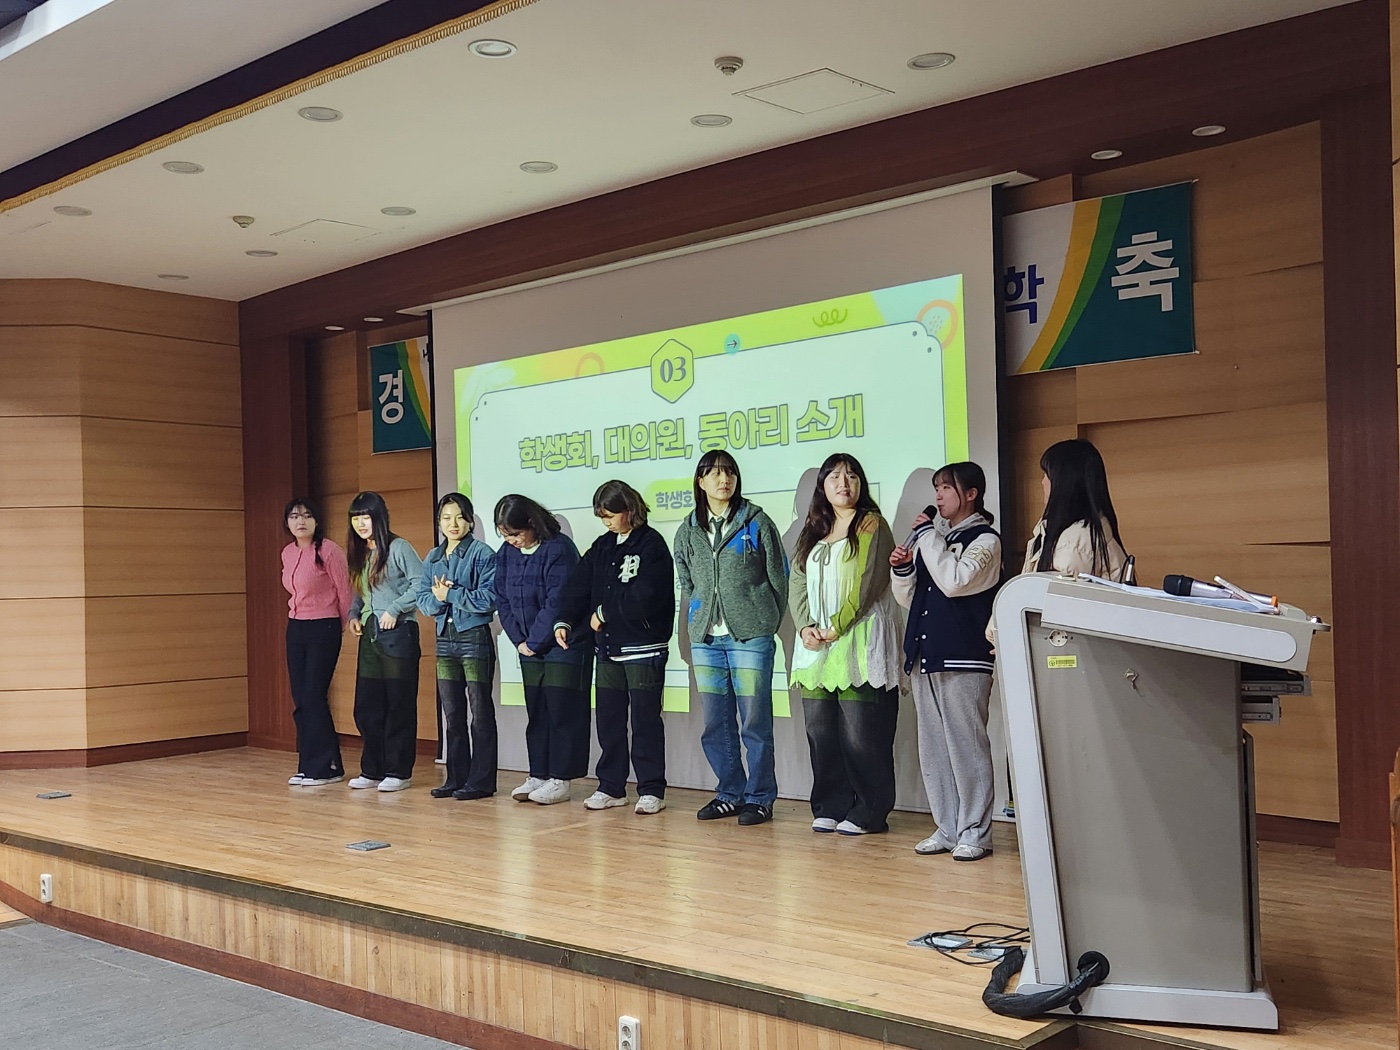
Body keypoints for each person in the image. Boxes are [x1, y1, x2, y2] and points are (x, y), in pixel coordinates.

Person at [890, 463, 1002, 861]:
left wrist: (927, 538)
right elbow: (913, 598)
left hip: (964, 656)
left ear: (971, 494)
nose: (938, 496)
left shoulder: (985, 540)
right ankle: (948, 827)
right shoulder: (937, 539)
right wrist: (903, 569)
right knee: (934, 747)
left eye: (946, 488)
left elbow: (956, 582)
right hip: (926, 654)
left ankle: (976, 832)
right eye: (936, 488)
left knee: (966, 745)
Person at [789, 453, 903, 836]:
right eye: (835, 477)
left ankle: (869, 810)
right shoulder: (813, 529)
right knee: (820, 730)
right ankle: (830, 804)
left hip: (858, 640)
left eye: (852, 476)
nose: (844, 483)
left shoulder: (871, 524)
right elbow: (797, 579)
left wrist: (837, 627)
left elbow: (869, 580)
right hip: (816, 645)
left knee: (862, 733)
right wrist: (805, 626)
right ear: (822, 487)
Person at [673, 451, 788, 826]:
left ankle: (760, 797)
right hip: (706, 639)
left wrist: (765, 620)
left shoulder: (756, 522)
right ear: (700, 481)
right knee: (715, 723)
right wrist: (694, 624)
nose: (724, 480)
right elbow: (688, 583)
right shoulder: (688, 529)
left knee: (754, 721)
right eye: (716, 473)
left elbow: (779, 577)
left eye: (730, 473)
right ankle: (730, 793)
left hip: (750, 637)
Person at [555, 481, 674, 815]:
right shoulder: (603, 545)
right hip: (608, 649)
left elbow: (648, 595)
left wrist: (605, 613)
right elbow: (578, 586)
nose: (606, 522)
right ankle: (611, 786)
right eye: (602, 517)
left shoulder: (651, 544)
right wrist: (565, 620)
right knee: (609, 720)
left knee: (645, 721)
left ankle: (651, 789)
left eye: (611, 515)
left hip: (644, 648)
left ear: (630, 509)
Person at [493, 493, 591, 806]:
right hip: (528, 646)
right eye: (505, 535)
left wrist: (532, 642)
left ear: (532, 524)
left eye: (515, 533)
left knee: (563, 709)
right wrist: (519, 641)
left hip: (564, 643)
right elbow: (502, 598)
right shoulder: (506, 553)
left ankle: (561, 779)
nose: (511, 541)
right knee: (537, 711)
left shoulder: (559, 549)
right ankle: (538, 773)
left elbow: (557, 602)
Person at [417, 493, 498, 800]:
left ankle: (482, 782)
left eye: (460, 517)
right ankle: (455, 778)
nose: (453, 524)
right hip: (444, 640)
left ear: (470, 521)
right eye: (446, 518)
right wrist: (439, 600)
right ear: (439, 522)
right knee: (452, 714)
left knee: (480, 712)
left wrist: (451, 595)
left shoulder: (482, 553)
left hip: (473, 638)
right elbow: (424, 600)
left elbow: (489, 599)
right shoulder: (433, 557)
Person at [345, 491, 424, 793]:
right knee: (367, 706)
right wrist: (354, 614)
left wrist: (395, 609)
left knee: (398, 704)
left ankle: (398, 771)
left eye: (366, 517)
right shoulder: (360, 552)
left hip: (398, 634)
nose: (361, 523)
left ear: (379, 517)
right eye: (356, 518)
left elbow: (421, 584)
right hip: (370, 635)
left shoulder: (398, 547)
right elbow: (360, 590)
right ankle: (372, 770)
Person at [281, 497, 352, 787]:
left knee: (313, 695)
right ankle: (309, 764)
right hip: (296, 626)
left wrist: (342, 625)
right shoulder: (287, 553)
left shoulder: (328, 550)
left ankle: (327, 767)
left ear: (316, 520)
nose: (301, 521)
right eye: (294, 516)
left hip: (325, 626)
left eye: (307, 516)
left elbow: (345, 591)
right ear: (287, 523)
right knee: (300, 698)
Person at [1025, 438, 1128, 578]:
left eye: (1047, 474)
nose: (1043, 481)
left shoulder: (1074, 544)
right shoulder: (1085, 532)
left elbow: (1059, 592)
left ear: (1064, 482)